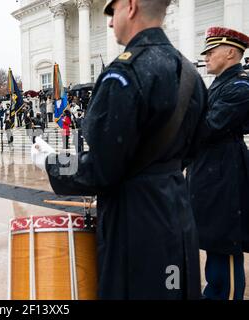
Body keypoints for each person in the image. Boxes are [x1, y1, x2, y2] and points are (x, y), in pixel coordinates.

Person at [31, 0, 208, 300]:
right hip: (177, 216)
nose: (110, 22)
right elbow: (191, 150)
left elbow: (100, 168)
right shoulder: (190, 73)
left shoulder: (124, 73)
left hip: (135, 227)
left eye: (112, 12)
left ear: (131, 5)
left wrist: (52, 162)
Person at [187, 27, 249, 300]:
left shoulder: (240, 85)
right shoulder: (221, 84)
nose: (207, 57)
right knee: (213, 240)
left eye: (212, 51)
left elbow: (208, 126)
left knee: (226, 244)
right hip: (210, 170)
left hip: (225, 172)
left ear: (231, 53)